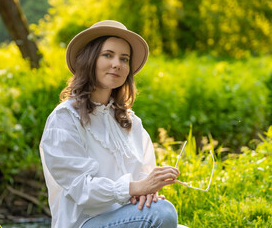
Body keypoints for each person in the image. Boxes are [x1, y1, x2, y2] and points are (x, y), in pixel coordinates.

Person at [39, 20, 185, 228]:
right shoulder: (64, 118)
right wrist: (134, 188)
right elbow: (81, 188)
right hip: (85, 222)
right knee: (162, 214)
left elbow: (144, 176)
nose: (117, 63)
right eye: (108, 55)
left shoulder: (131, 121)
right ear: (90, 60)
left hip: (129, 217)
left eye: (124, 59)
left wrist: (145, 193)